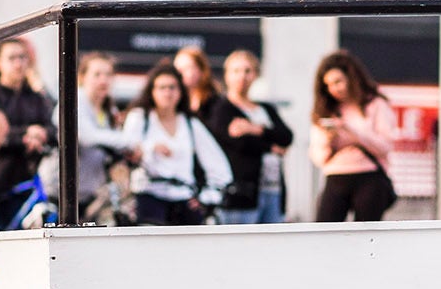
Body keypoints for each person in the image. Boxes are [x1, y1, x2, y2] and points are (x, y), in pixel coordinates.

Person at [119, 60, 231, 226]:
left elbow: (219, 166)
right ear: (152, 91)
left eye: (172, 87)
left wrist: (207, 197)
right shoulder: (141, 117)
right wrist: (151, 148)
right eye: (161, 88)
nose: (167, 93)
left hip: (184, 199)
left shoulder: (190, 123)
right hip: (149, 196)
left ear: (180, 91)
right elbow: (127, 147)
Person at [205, 50, 294, 225]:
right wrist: (270, 147)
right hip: (241, 194)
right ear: (227, 75)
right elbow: (238, 143)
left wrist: (254, 128)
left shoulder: (266, 109)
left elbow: (286, 136)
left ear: (256, 74)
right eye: (236, 71)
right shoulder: (222, 108)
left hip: (273, 190)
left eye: (247, 71)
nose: (242, 76)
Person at [309, 51, 397, 223]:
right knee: (324, 232)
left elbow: (385, 146)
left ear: (351, 77)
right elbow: (318, 158)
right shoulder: (326, 110)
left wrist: (351, 131)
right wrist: (328, 140)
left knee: (366, 236)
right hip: (336, 176)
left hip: (369, 175)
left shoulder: (375, 104)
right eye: (328, 85)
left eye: (338, 81)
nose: (334, 89)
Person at [0, 37, 57, 228]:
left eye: (22, 57)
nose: (18, 63)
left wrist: (41, 135)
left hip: (22, 183)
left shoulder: (36, 97)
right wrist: (25, 135)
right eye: (12, 58)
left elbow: (55, 130)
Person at [72, 52, 134, 221]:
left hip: (92, 192)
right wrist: (128, 141)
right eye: (97, 74)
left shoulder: (109, 110)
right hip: (63, 193)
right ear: (82, 76)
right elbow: (87, 137)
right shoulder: (74, 100)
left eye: (108, 75)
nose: (103, 80)